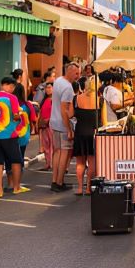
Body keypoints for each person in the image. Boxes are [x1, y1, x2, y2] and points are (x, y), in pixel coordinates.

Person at [0, 77, 26, 197]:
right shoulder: (12, 98)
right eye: (12, 87)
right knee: (16, 161)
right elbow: (16, 115)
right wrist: (21, 115)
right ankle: (16, 187)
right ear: (8, 85)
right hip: (10, 135)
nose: (13, 90)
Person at [50, 63, 80, 192]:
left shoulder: (58, 81)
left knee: (57, 152)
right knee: (64, 153)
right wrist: (69, 129)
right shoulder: (68, 88)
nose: (78, 76)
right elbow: (64, 110)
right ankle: (60, 182)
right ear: (69, 72)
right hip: (62, 124)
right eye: (76, 73)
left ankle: (54, 181)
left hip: (54, 121)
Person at [73, 79, 98, 196]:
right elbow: (104, 121)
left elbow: (70, 115)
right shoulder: (100, 100)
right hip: (93, 133)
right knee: (91, 162)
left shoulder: (76, 99)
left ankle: (79, 188)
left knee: (80, 162)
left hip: (79, 132)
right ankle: (88, 188)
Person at [13, 84, 37, 165]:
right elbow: (34, 119)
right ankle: (20, 171)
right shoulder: (28, 105)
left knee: (13, 155)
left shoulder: (11, 104)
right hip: (24, 132)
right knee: (21, 154)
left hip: (12, 132)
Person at [38, 82, 54, 171]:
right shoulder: (44, 100)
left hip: (51, 125)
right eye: (46, 88)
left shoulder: (54, 100)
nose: (48, 89)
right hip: (44, 125)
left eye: (50, 87)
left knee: (53, 145)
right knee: (46, 145)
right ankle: (48, 163)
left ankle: (52, 163)